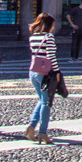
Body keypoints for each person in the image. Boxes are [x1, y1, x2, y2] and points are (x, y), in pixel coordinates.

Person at [25, 12, 58, 144]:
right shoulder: (49, 37)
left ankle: (31, 126)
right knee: (46, 102)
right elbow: (51, 57)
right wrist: (57, 72)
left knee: (41, 99)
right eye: (52, 25)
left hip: (33, 71)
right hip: (44, 73)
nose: (53, 28)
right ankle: (42, 132)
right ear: (49, 25)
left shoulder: (33, 37)